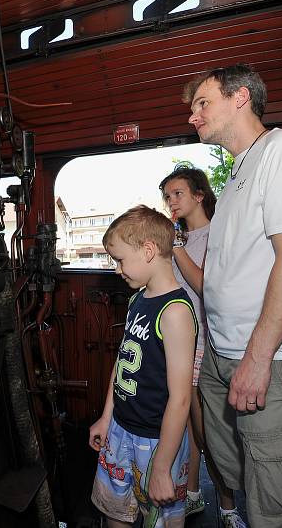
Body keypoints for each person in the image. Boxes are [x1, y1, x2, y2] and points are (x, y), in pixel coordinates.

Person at [184, 63, 282, 527]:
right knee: (244, 479)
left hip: (273, 359)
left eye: (202, 103)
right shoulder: (235, 177)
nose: (193, 117)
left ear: (241, 97)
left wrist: (257, 358)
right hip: (223, 357)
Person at [88, 205, 197, 528]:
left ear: (148, 251)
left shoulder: (174, 312)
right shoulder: (138, 300)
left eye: (120, 259)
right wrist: (107, 417)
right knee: (114, 514)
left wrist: (162, 467)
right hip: (120, 430)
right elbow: (122, 361)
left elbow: (180, 399)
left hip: (156, 442)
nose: (117, 269)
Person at [160, 166, 246, 528]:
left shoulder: (217, 233)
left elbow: (204, 285)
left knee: (206, 427)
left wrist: (176, 247)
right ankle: (193, 492)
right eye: (166, 197)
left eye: (177, 194)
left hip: (207, 341)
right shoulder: (173, 239)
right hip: (178, 339)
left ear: (199, 195)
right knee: (187, 424)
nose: (171, 202)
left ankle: (227, 506)